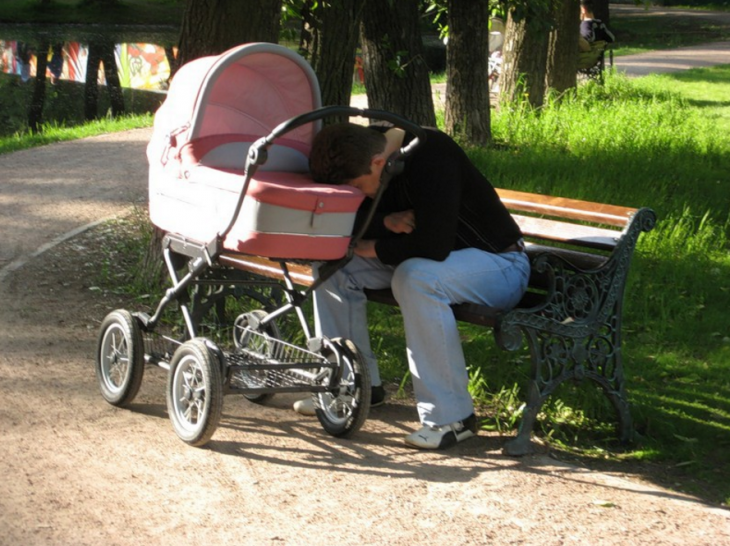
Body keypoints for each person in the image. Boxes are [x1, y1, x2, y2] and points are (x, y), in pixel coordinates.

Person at [293, 123, 530, 450]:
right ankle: (351, 385)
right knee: (333, 264)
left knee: (416, 277)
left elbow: (433, 245)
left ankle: (452, 418)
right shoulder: (365, 151)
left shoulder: (432, 153)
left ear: (378, 163)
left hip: (499, 266)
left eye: (360, 188)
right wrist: (385, 223)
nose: (361, 196)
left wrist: (374, 247)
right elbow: (346, 220)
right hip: (431, 263)